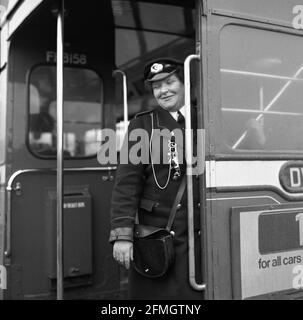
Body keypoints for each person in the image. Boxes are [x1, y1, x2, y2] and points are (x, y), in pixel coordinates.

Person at [109, 58, 202, 299]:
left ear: (185, 84)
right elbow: (126, 183)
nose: (164, 91)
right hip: (158, 233)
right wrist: (123, 235)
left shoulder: (204, 117)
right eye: (157, 86)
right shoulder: (142, 124)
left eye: (170, 82)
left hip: (200, 231)